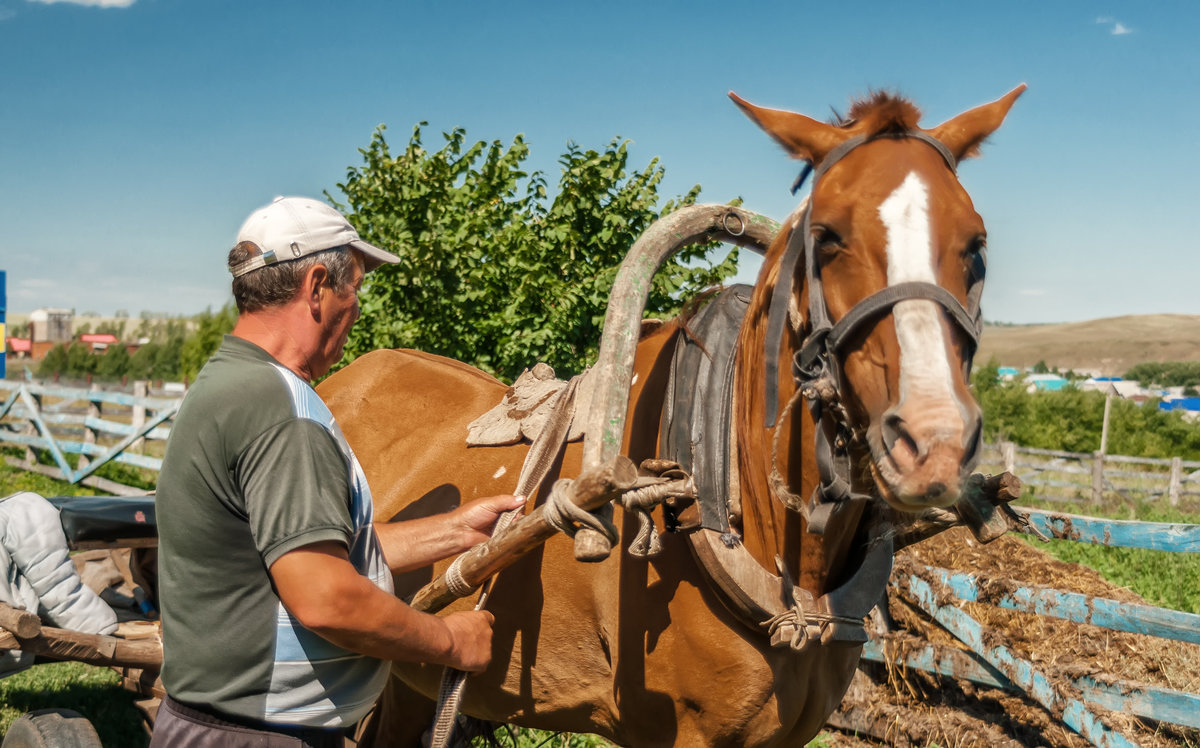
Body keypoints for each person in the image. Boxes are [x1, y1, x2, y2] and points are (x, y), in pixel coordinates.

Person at [150, 196, 523, 747]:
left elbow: (298, 553)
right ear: (318, 286)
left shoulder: (229, 382)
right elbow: (325, 596)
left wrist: (456, 530)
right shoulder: (281, 411)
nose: (357, 310)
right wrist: (449, 640)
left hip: (217, 723)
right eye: (356, 288)